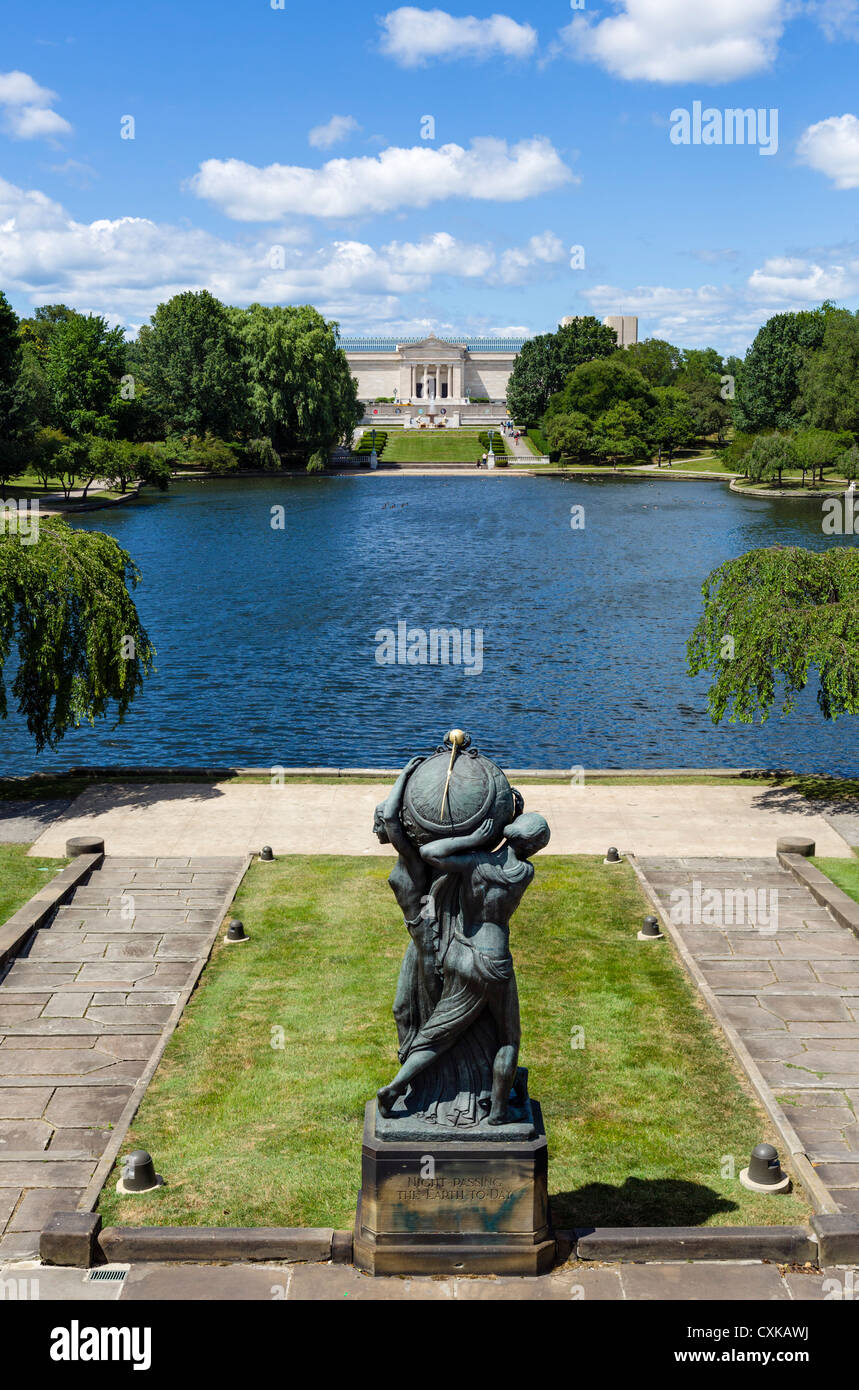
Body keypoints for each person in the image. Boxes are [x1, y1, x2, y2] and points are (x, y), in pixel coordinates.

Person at [377, 812, 551, 1125]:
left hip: (458, 953)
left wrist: (472, 838)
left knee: (438, 1034)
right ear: (534, 847)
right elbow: (510, 850)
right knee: (509, 1038)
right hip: (493, 960)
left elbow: (430, 853)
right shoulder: (525, 872)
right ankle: (498, 1112)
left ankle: (396, 1086)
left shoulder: (476, 863)